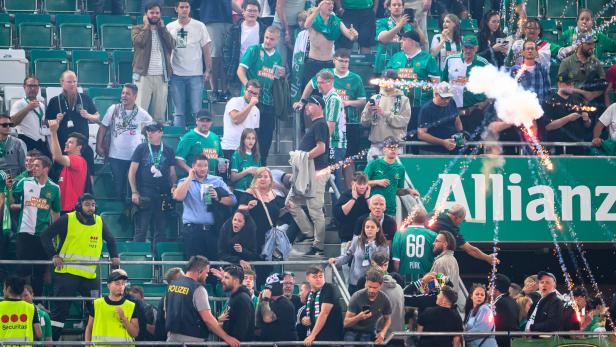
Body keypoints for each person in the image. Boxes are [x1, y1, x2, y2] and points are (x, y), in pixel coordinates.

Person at [40, 193, 120, 340]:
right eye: (87, 204)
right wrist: (54, 255)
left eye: (93, 205)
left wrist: (114, 256)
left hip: (89, 276)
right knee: (60, 312)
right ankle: (52, 342)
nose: (91, 208)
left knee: (97, 308)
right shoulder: (67, 219)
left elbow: (111, 240)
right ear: (79, 206)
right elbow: (45, 235)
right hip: (66, 273)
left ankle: (96, 341)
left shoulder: (99, 221)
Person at [294, 48, 366, 172]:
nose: (344, 64)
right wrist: (303, 101)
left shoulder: (355, 78)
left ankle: (347, 190)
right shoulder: (326, 75)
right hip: (329, 125)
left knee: (349, 161)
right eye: (341, 61)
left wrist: (348, 102)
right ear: (334, 61)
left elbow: (362, 100)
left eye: (347, 61)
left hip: (350, 122)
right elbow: (310, 85)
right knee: (332, 166)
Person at [10, 155, 61, 296]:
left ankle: (38, 302)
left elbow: (56, 212)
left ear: (46, 169)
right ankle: (18, 298)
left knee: (39, 272)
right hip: (24, 233)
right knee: (22, 270)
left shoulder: (54, 188)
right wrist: (8, 190)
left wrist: (55, 235)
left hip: (43, 235)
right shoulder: (24, 182)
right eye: (32, 165)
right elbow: (12, 198)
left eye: (37, 165)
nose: (33, 168)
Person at [286, 95, 329, 256]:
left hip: (316, 172)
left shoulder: (320, 124)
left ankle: (318, 245)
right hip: (307, 172)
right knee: (290, 202)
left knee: (315, 209)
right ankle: (309, 233)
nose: (306, 107)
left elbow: (321, 148)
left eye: (310, 104)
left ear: (318, 106)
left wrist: (303, 158)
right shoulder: (315, 125)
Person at [164, 256, 240, 346]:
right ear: (199, 271)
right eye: (206, 272)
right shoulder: (198, 289)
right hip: (192, 341)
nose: (207, 275)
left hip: (171, 340)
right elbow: (208, 319)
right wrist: (227, 337)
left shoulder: (172, 285)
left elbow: (166, 314)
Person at [172, 154, 236, 260]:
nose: (203, 168)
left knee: (213, 266)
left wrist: (218, 197)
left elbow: (233, 200)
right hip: (192, 231)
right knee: (194, 266)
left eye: (205, 165)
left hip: (213, 230)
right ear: (193, 166)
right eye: (199, 165)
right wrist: (190, 177)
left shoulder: (217, 180)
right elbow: (178, 197)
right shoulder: (184, 181)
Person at [237, 26, 285, 164]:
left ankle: (262, 162)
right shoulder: (254, 50)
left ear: (277, 40)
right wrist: (249, 88)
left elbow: (276, 80)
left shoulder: (277, 57)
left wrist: (282, 76)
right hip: (252, 100)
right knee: (251, 134)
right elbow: (240, 71)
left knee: (267, 134)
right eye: (266, 38)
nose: (268, 41)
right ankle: (247, 162)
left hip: (268, 101)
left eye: (272, 39)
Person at [96, 83, 153, 198]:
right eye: (123, 93)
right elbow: (103, 127)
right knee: (118, 187)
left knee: (135, 186)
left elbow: (150, 124)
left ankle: (132, 211)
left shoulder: (141, 113)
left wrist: (142, 131)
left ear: (135, 96)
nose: (124, 96)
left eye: (128, 93)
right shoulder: (113, 109)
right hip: (116, 155)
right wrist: (99, 145)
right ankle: (119, 212)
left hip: (135, 157)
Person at [128, 122, 177, 243]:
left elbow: (172, 172)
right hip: (145, 192)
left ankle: (159, 261)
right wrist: (134, 192)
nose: (149, 133)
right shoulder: (141, 148)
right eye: (148, 131)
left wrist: (174, 186)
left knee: (161, 231)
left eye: (153, 131)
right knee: (141, 230)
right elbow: (132, 172)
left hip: (163, 194)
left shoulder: (168, 150)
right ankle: (138, 258)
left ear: (161, 132)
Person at [44, 70, 97, 177]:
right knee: (62, 176)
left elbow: (96, 116)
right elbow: (46, 122)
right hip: (63, 147)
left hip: (82, 147)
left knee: (88, 174)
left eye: (74, 81)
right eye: (69, 82)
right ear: (62, 82)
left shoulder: (85, 98)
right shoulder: (55, 101)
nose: (72, 84)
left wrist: (88, 116)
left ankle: (89, 194)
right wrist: (56, 120)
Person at [167, 1, 211, 127]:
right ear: (176, 9)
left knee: (197, 111)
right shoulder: (170, 27)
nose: (184, 10)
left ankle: (198, 140)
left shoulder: (199, 26)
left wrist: (208, 70)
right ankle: (178, 142)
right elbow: (167, 51)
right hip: (176, 75)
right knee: (179, 112)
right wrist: (168, 69)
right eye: (182, 7)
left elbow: (206, 50)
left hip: (196, 74)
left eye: (187, 7)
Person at [131, 2, 175, 122]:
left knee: (159, 115)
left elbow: (172, 44)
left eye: (157, 13)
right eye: (152, 13)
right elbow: (139, 42)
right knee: (140, 113)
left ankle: (156, 140)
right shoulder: (138, 29)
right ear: (146, 14)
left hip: (161, 77)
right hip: (144, 76)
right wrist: (146, 27)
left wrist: (163, 29)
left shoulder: (162, 30)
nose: (155, 15)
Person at [442, 36, 491, 139]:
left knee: (475, 142)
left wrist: (485, 103)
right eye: (466, 47)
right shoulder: (450, 60)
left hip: (475, 110)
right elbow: (443, 83)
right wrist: (445, 103)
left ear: (476, 48)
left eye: (471, 48)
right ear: (462, 47)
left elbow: (492, 88)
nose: (468, 50)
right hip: (454, 110)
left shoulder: (483, 63)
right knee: (455, 141)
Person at [302, 0, 358, 88]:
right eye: (328, 3)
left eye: (332, 3)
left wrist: (355, 35)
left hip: (329, 64)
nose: (331, 5)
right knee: (312, 94)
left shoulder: (336, 21)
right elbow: (306, 25)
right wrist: (317, 9)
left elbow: (350, 37)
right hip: (313, 63)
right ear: (320, 4)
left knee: (328, 92)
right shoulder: (313, 19)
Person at [329, 216, 390, 294]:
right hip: (355, 281)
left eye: (372, 227)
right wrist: (336, 260)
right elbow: (347, 255)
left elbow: (384, 264)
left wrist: (372, 247)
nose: (369, 229)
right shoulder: (356, 240)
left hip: (373, 283)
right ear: (364, 228)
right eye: (367, 227)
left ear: (377, 229)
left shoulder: (383, 245)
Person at [360, 69, 411, 160]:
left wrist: (384, 113)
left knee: (394, 173)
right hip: (376, 146)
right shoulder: (375, 98)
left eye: (389, 80)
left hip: (395, 147)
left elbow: (404, 121)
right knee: (374, 174)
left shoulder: (403, 100)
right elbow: (364, 122)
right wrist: (368, 112)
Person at [199, 0, 242, 102]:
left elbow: (229, 2)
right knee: (214, 56)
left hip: (227, 20)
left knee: (225, 57)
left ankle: (224, 90)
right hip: (212, 20)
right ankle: (214, 91)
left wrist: (242, 11)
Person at [386, 30, 440, 111]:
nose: (400, 41)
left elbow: (436, 84)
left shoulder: (428, 59)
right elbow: (386, 78)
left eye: (404, 39)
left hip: (421, 105)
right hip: (397, 104)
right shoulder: (396, 57)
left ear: (412, 42)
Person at [364, 137, 418, 217]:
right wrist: (377, 182)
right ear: (384, 150)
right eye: (390, 147)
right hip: (373, 208)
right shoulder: (374, 164)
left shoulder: (400, 168)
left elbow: (398, 190)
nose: (393, 150)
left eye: (395, 148)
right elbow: (362, 183)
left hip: (390, 209)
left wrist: (408, 191)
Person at [428, 204, 498, 264]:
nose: (461, 223)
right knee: (440, 277)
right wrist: (487, 258)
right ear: (456, 218)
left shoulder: (434, 214)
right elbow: (470, 250)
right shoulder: (452, 229)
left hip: (420, 256)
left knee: (432, 278)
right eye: (462, 220)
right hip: (432, 260)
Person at [541, 73, 592, 155]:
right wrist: (568, 118)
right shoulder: (549, 101)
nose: (571, 86)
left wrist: (587, 120)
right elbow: (547, 126)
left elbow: (588, 125)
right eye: (568, 84)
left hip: (578, 146)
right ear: (559, 84)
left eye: (572, 84)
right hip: (558, 147)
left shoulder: (578, 100)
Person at [238, 167, 286, 252]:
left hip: (270, 235)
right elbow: (240, 208)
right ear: (255, 179)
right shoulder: (250, 192)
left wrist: (286, 209)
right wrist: (248, 207)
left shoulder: (274, 194)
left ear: (270, 179)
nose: (262, 179)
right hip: (253, 234)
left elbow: (276, 214)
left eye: (265, 176)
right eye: (259, 177)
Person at [85, 272, 139, 345]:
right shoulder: (97, 304)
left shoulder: (131, 306)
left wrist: (124, 318)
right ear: (108, 285)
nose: (121, 286)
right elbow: (89, 328)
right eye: (117, 283)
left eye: (123, 284)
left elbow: (135, 334)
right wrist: (87, 345)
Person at [47, 119, 87, 213]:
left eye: (70, 142)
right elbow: (55, 155)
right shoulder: (66, 164)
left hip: (71, 210)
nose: (66, 143)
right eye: (67, 141)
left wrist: (53, 132)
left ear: (79, 147)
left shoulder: (78, 160)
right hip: (62, 209)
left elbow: (57, 156)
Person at [343, 270, 392, 345]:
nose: (371, 290)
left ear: (381, 285)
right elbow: (345, 323)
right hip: (352, 330)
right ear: (365, 283)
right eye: (369, 286)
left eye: (375, 288)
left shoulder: (384, 299)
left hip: (369, 331)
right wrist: (358, 317)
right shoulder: (357, 296)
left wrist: (383, 333)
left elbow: (388, 319)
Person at [225, 0, 267, 85]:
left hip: (258, 71)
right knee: (238, 97)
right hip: (238, 70)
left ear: (259, 13)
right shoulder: (234, 29)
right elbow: (226, 49)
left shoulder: (264, 30)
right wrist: (229, 66)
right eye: (249, 11)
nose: (252, 13)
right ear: (243, 12)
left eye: (255, 11)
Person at [392, 205, 437, 282]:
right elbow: (436, 261)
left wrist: (398, 275)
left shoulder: (400, 233)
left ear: (411, 218)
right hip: (426, 278)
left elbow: (396, 261)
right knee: (424, 294)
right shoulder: (433, 235)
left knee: (405, 294)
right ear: (425, 219)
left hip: (404, 276)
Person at [558, 33, 606, 105]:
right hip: (572, 100)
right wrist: (584, 93)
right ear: (580, 44)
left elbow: (604, 83)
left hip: (592, 100)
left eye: (593, 44)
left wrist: (593, 95)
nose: (592, 47)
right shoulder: (566, 62)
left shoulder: (595, 61)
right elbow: (561, 86)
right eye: (589, 44)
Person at [417, 81, 463, 154]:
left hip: (450, 149)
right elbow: (421, 134)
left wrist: (460, 133)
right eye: (443, 98)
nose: (447, 101)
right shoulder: (426, 109)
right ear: (436, 94)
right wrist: (443, 142)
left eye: (448, 97)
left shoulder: (452, 102)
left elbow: (457, 120)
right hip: (431, 151)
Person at [303, 265, 344, 345]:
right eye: (314, 277)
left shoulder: (329, 288)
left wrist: (312, 335)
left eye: (320, 276)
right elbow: (309, 315)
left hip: (331, 340)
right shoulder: (309, 295)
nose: (318, 279)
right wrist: (304, 320)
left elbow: (324, 313)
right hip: (316, 340)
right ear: (308, 278)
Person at [175, 109, 224, 175]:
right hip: (194, 179)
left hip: (212, 178)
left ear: (211, 122)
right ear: (196, 121)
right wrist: (190, 171)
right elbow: (179, 159)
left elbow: (220, 156)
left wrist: (222, 164)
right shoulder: (189, 137)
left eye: (208, 121)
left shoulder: (215, 137)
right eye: (202, 121)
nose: (204, 123)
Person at [222, 80, 261, 160]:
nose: (252, 95)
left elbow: (253, 132)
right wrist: (250, 105)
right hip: (230, 147)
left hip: (246, 150)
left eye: (255, 93)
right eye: (250, 92)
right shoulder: (234, 101)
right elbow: (236, 120)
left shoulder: (256, 110)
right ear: (244, 90)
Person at [374, 0, 416, 74]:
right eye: (394, 5)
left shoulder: (408, 25)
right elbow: (383, 39)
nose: (397, 7)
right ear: (389, 7)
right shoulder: (382, 22)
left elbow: (422, 42)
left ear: (403, 8)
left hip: (404, 64)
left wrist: (417, 27)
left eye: (399, 5)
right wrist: (399, 26)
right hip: (384, 64)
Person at [10, 76, 49, 155]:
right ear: (24, 87)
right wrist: (28, 108)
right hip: (26, 141)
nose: (33, 88)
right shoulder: (19, 104)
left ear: (38, 88)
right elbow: (12, 122)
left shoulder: (41, 105)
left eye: (35, 86)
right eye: (30, 86)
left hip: (41, 142)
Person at [333, 172, 371, 252]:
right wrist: (354, 198)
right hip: (347, 237)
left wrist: (367, 198)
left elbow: (374, 212)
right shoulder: (345, 195)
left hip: (366, 238)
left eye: (364, 184)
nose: (362, 187)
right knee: (345, 263)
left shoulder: (369, 197)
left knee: (365, 263)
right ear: (353, 184)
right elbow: (340, 214)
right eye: (359, 184)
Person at [256, 273, 298, 342]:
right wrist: (260, 301)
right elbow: (257, 325)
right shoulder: (268, 303)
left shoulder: (284, 303)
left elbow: (267, 318)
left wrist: (265, 299)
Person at [0, 276, 42, 344]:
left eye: (4, 288)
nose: (3, 290)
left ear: (8, 289)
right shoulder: (31, 307)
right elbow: (39, 333)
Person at [219, 265, 255, 342]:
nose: (222, 280)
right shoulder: (234, 297)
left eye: (226, 278)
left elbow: (241, 330)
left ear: (236, 281)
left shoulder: (242, 299)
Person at [511, 40, 551, 104]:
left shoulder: (542, 69)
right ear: (523, 52)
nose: (530, 51)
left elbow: (547, 90)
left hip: (539, 109)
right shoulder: (515, 69)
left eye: (532, 49)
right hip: (520, 109)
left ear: (536, 52)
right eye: (527, 49)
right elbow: (510, 90)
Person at [272, 0, 305, 67]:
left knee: (295, 61)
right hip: (281, 26)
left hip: (297, 26)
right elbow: (279, 7)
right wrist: (286, 30)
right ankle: (277, 77)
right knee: (280, 61)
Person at [492, 273, 519, 347]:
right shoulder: (512, 300)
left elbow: (495, 323)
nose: (488, 288)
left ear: (496, 290)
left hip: (502, 341)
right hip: (511, 340)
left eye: (490, 286)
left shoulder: (500, 303)